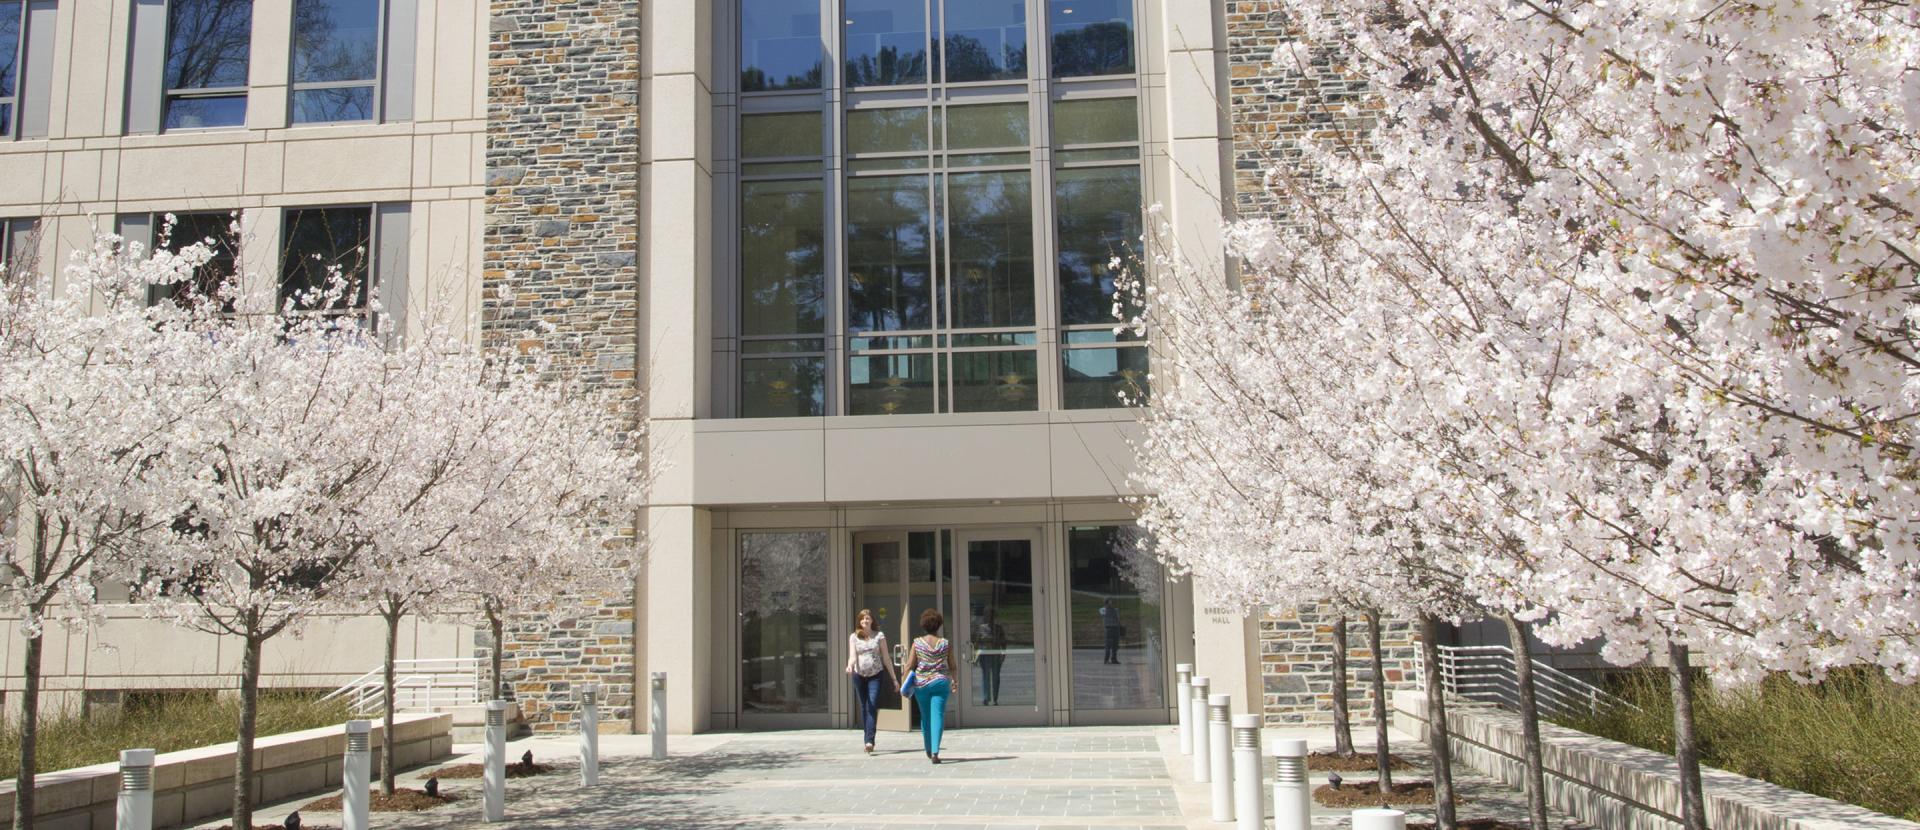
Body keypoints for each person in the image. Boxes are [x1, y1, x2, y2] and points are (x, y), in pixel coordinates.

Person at [844, 608, 898, 754]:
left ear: (872, 620)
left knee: (872, 704)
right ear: (859, 621)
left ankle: (870, 741)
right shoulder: (854, 637)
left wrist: (894, 679)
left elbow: (886, 658)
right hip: (859, 675)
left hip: (876, 674)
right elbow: (852, 656)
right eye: (862, 619)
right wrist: (849, 665)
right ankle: (866, 738)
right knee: (864, 706)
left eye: (867, 618)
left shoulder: (879, 636)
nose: (865, 621)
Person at [907, 607, 952, 764]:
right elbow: (952, 665)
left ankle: (927, 747)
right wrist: (955, 681)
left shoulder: (917, 643)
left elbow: (909, 665)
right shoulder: (945, 643)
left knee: (925, 717)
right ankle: (935, 752)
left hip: (922, 684)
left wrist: (903, 681)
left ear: (923, 625)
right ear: (938, 625)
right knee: (938, 715)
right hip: (940, 682)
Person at [971, 607, 1007, 705]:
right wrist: (975, 656)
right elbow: (977, 643)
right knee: (985, 676)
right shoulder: (982, 628)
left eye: (991, 616)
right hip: (985, 654)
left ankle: (995, 698)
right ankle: (986, 698)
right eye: (988, 616)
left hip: (996, 654)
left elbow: (1003, 642)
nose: (989, 618)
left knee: (996, 677)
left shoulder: (999, 628)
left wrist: (1003, 653)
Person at [1100, 598, 1124, 664]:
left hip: (1115, 628)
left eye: (1111, 602)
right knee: (1108, 645)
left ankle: (1114, 659)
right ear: (1106, 603)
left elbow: (1118, 618)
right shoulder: (1103, 609)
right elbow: (1104, 613)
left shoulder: (1115, 610)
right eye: (1109, 602)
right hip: (1109, 628)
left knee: (1115, 645)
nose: (1111, 604)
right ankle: (1106, 660)